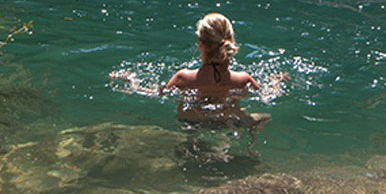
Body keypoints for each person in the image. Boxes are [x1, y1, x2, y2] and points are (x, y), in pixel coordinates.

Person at [111, 13, 287, 128]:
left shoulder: (183, 78)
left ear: (201, 45)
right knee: (264, 117)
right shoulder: (243, 80)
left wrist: (131, 80)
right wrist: (276, 81)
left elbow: (155, 94)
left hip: (192, 122)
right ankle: (249, 145)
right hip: (228, 123)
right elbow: (269, 95)